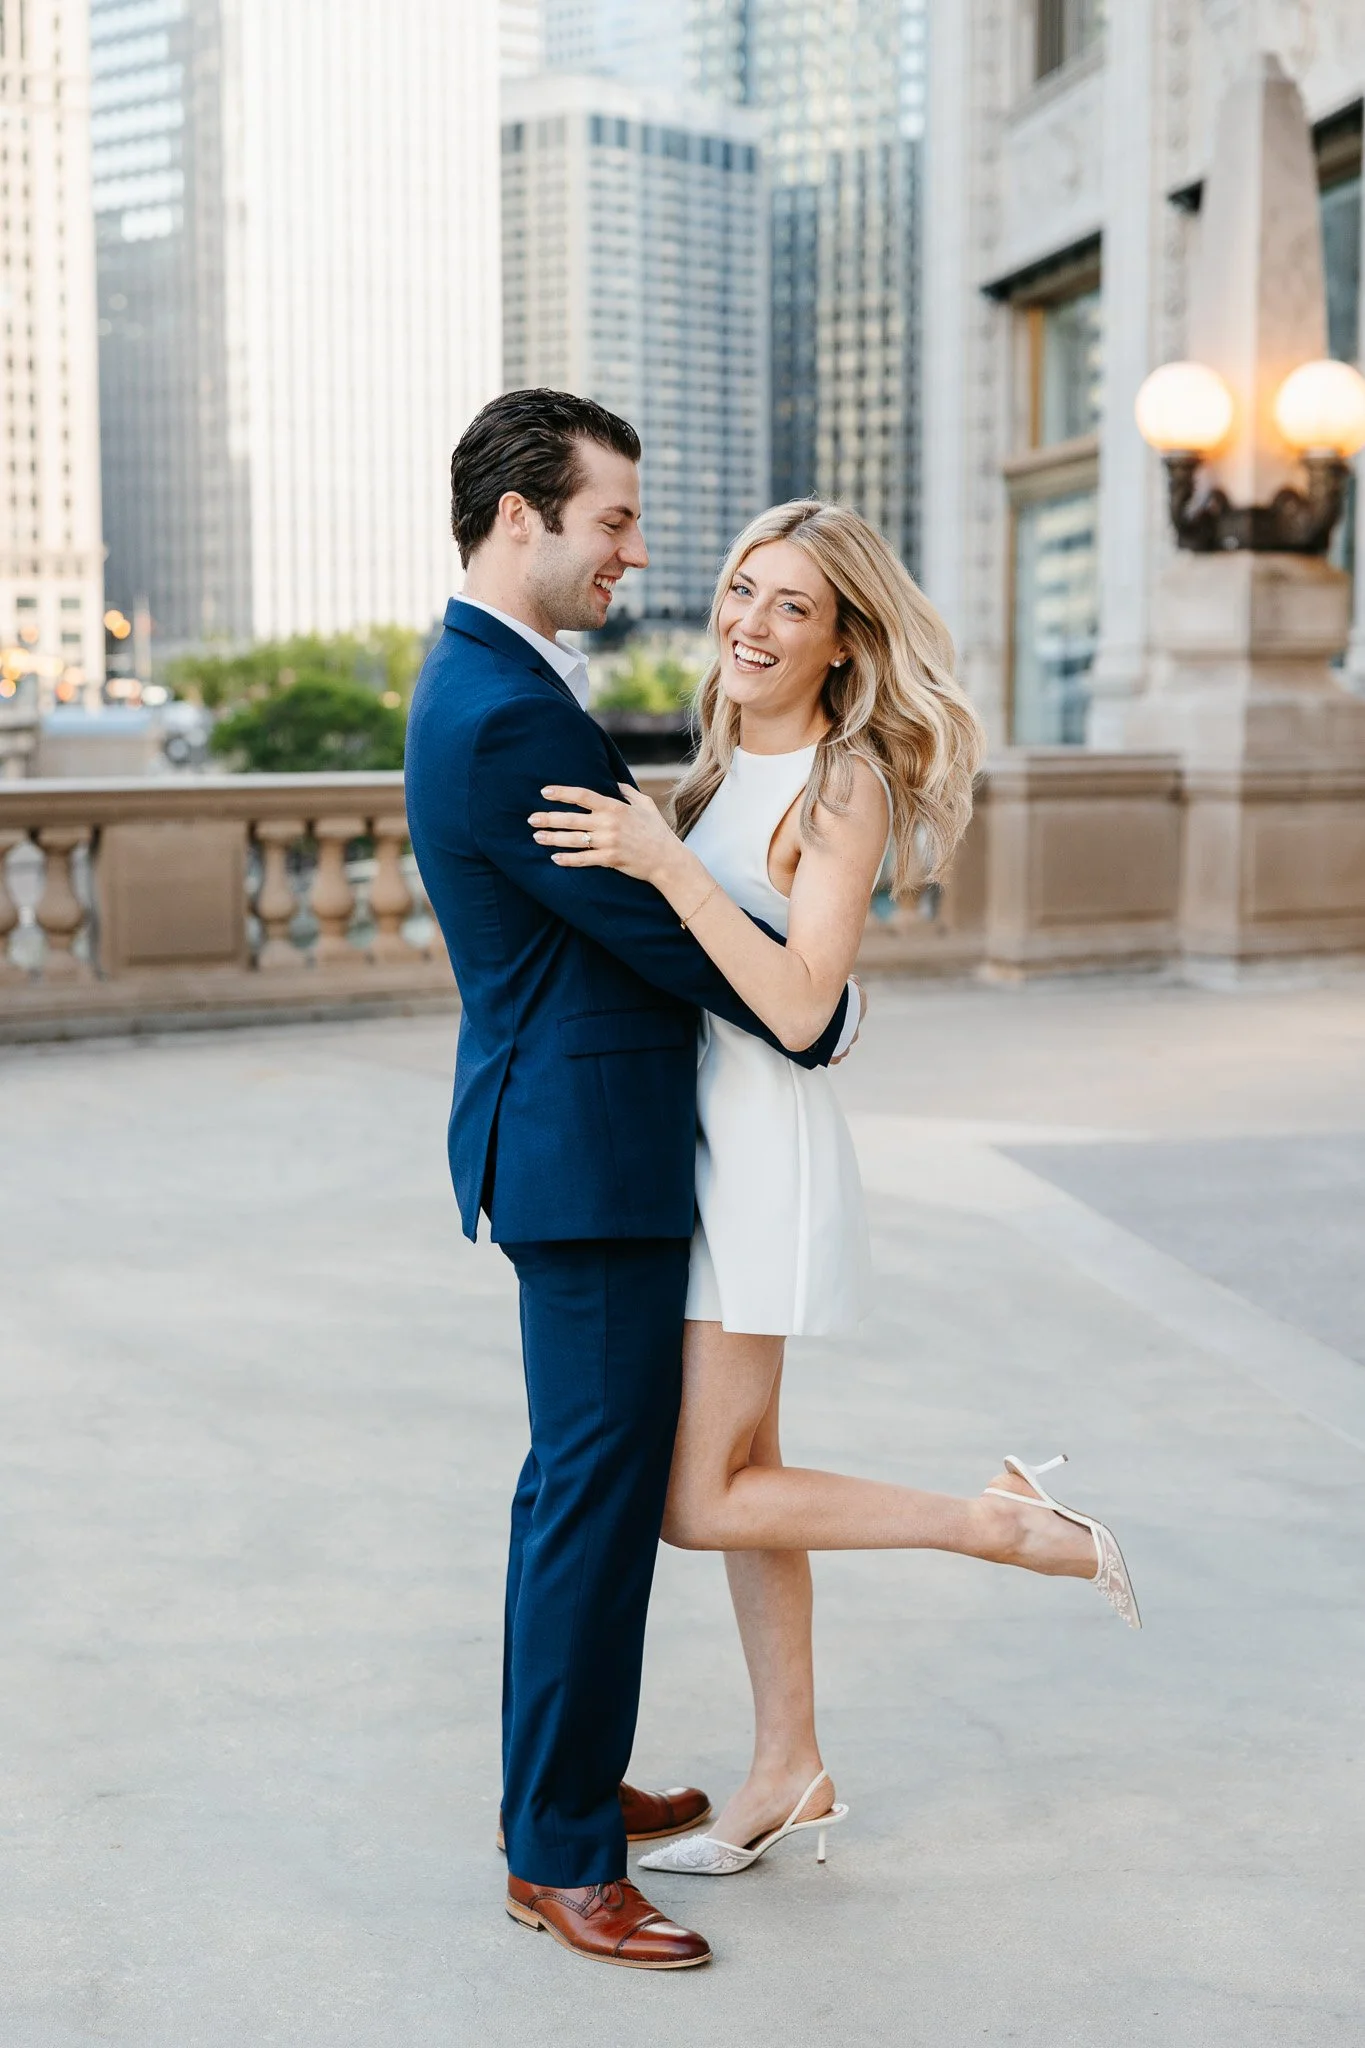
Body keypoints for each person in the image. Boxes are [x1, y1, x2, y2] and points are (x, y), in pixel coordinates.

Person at [526, 498, 1142, 1878]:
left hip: (758, 1162)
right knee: (756, 1483)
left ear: (844, 639)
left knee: (701, 1498)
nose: (750, 623)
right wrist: (665, 846)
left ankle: (995, 1522)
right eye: (742, 590)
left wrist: (666, 863)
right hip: (694, 1150)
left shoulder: (840, 783)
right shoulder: (712, 767)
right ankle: (789, 1766)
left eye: (791, 606)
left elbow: (802, 1007)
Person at [404, 392, 862, 1970]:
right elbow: (650, 932)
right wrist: (819, 1009)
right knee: (592, 1506)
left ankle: (567, 1778)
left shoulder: (490, 676)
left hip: (573, 1142)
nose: (637, 552)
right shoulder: (506, 710)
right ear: (522, 516)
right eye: (612, 520)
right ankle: (560, 1856)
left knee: (580, 1496)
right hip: (589, 1160)